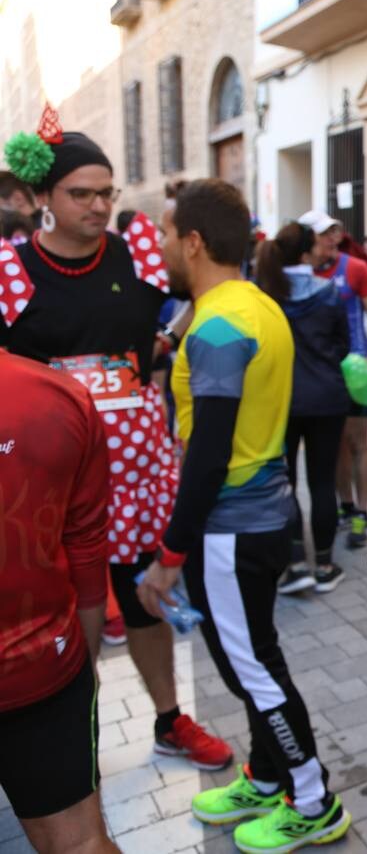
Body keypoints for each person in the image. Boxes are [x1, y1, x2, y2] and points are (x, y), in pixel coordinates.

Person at [0, 113, 230, 770]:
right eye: (82, 194)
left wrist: (166, 343)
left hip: (136, 476)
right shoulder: (9, 272)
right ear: (43, 198)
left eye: (108, 193)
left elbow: (209, 291)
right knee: (68, 617)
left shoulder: (141, 255)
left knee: (146, 600)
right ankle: (73, 739)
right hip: (42, 488)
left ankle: (168, 719)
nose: (100, 206)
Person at [137, 179, 349, 852]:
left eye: (169, 234)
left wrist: (170, 554)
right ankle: (264, 777)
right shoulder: (248, 303)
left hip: (229, 528)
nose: (163, 246)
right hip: (256, 521)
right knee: (255, 656)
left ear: (193, 242)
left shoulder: (222, 325)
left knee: (252, 671)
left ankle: (312, 801)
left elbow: (208, 452)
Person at [0, 351, 119, 854]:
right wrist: (86, 660)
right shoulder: (59, 395)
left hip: (41, 668)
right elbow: (86, 548)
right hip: (41, 664)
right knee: (80, 845)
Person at [254, 222, 351, 594]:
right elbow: (342, 345)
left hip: (281, 400)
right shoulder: (327, 292)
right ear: (309, 252)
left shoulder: (266, 293)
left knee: (286, 481)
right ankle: (325, 564)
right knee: (322, 481)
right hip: (327, 397)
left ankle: (295, 563)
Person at [297, 210, 367, 548]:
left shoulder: (355, 268)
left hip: (356, 370)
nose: (331, 239)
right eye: (323, 234)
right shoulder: (300, 273)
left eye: (334, 232)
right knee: (333, 447)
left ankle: (362, 512)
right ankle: (345, 506)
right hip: (322, 372)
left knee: (357, 441)